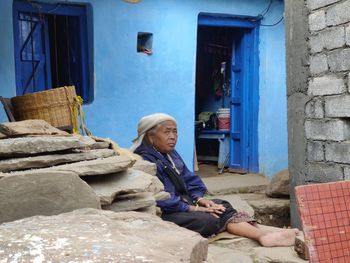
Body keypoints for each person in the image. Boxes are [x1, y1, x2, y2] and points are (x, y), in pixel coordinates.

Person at [130, 113, 298, 247]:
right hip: (164, 212)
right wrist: (194, 209)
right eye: (167, 132)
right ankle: (263, 234)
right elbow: (161, 199)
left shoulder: (170, 154)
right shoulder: (144, 160)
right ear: (151, 137)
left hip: (183, 203)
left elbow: (190, 179)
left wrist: (201, 200)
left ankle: (264, 234)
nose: (173, 136)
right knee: (208, 220)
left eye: (175, 131)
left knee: (221, 205)